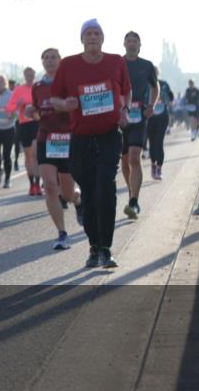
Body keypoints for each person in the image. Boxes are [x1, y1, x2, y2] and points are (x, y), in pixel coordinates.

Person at [51, 19, 131, 269]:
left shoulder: (116, 61)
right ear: (82, 39)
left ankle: (106, 248)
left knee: (105, 189)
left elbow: (127, 91)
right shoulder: (68, 65)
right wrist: (65, 105)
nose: (93, 37)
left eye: (97, 33)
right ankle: (93, 245)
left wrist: (125, 110)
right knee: (88, 194)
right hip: (80, 139)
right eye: (88, 33)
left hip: (108, 135)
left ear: (103, 38)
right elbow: (55, 98)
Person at [27, 48, 82, 249]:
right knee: (49, 186)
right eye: (46, 58)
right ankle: (62, 233)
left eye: (53, 57)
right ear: (42, 62)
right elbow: (37, 113)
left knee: (67, 193)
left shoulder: (68, 83)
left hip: (67, 140)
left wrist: (69, 105)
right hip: (45, 139)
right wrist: (31, 111)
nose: (49, 61)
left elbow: (77, 109)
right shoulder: (38, 86)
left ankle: (78, 202)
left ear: (60, 61)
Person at [120, 31, 158, 220]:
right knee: (125, 161)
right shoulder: (117, 64)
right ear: (124, 44)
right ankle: (131, 192)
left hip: (139, 116)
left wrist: (151, 105)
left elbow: (154, 87)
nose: (132, 43)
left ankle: (134, 201)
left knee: (135, 158)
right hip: (120, 117)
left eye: (135, 40)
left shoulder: (146, 65)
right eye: (129, 40)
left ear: (140, 44)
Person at [8, 67, 42, 195]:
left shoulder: (38, 87)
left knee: (35, 154)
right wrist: (18, 104)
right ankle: (31, 184)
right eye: (26, 74)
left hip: (37, 123)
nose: (29, 76)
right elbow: (9, 108)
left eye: (31, 74)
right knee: (28, 156)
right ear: (24, 75)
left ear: (34, 75)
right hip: (24, 124)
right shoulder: (18, 89)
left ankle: (38, 184)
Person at [148, 71, 175, 180]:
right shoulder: (146, 84)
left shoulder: (164, 84)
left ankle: (159, 168)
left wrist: (167, 101)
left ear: (158, 73)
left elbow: (171, 97)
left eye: (155, 73)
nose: (153, 75)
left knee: (159, 142)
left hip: (162, 116)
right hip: (149, 117)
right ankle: (153, 165)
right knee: (152, 143)